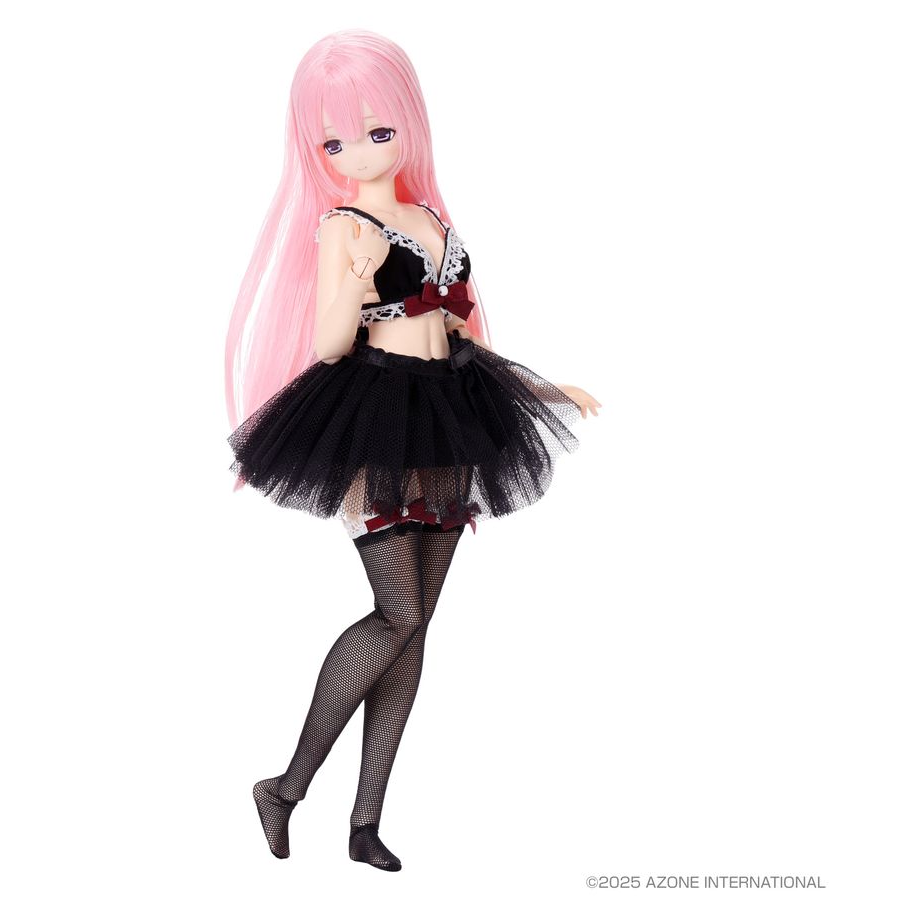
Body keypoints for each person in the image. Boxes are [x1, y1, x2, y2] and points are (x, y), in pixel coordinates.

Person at [224, 29, 601, 872]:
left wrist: (544, 388)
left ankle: (364, 823)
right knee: (398, 613)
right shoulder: (342, 225)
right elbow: (329, 344)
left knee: (417, 623)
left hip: (453, 411)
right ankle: (284, 787)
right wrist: (359, 281)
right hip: (372, 415)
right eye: (334, 142)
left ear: (407, 121)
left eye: (377, 130)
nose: (358, 152)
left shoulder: (431, 218)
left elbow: (464, 328)